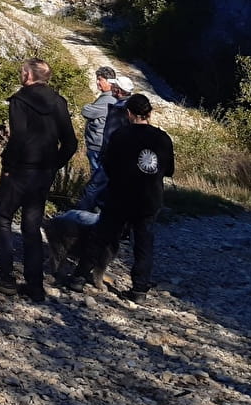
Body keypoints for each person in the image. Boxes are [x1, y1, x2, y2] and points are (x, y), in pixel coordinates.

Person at [0, 58, 77, 302]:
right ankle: (35, 285)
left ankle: (6, 276)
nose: (20, 74)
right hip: (43, 173)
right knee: (31, 227)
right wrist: (54, 165)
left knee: (1, 218)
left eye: (22, 71)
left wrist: (9, 166)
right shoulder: (58, 102)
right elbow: (71, 142)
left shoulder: (20, 101)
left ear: (28, 75)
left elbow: (18, 138)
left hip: (20, 170)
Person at [67, 94, 174, 304]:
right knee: (143, 243)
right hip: (150, 199)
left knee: (101, 237)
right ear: (150, 114)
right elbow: (169, 170)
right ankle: (140, 289)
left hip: (121, 196)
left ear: (128, 114)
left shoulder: (120, 135)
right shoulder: (163, 138)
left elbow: (107, 165)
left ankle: (79, 277)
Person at [76, 73, 133, 212]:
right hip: (118, 155)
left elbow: (113, 133)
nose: (111, 87)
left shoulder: (120, 108)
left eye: (114, 86)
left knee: (95, 186)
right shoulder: (130, 106)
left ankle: (82, 218)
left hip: (110, 155)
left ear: (118, 90)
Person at [75, 67, 118, 212]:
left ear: (109, 81)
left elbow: (87, 111)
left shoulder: (108, 99)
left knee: (97, 180)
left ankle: (90, 210)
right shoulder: (109, 97)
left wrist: (88, 106)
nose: (97, 82)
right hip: (99, 145)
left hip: (98, 146)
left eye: (100, 79)